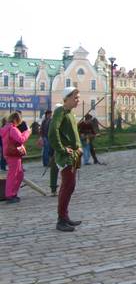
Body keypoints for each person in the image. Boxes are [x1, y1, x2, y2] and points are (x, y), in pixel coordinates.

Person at [49, 87, 83, 232]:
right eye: (75, 97)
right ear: (67, 98)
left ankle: (65, 216)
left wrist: (79, 147)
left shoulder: (70, 114)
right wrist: (62, 149)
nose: (78, 100)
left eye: (78, 97)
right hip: (66, 156)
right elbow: (52, 132)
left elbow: (74, 135)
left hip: (74, 155)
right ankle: (61, 220)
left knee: (71, 186)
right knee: (67, 186)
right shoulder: (60, 111)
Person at [0, 111, 32, 204]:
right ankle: (10, 195)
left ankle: (13, 193)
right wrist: (27, 132)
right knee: (13, 175)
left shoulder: (6, 128)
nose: (20, 123)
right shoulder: (12, 129)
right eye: (19, 120)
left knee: (19, 174)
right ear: (16, 120)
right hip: (13, 154)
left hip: (10, 153)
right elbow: (21, 139)